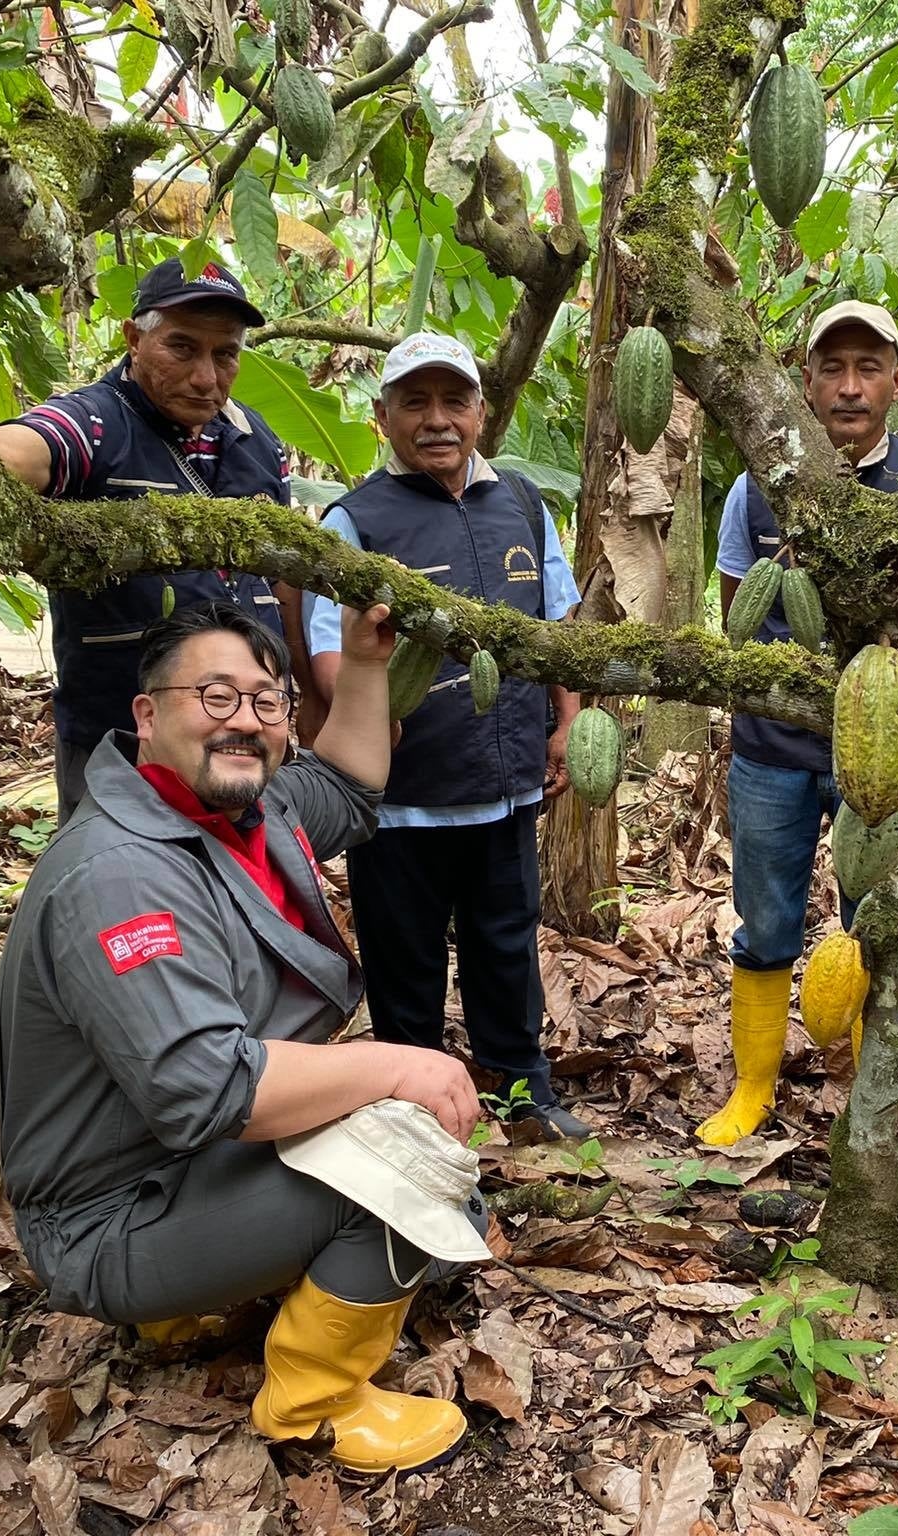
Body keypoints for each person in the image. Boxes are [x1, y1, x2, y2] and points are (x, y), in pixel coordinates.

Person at [0, 600, 492, 1474]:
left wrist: (368, 665)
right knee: (409, 1165)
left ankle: (199, 1297)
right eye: (215, 697)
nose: (245, 722)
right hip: (110, 1215)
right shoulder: (120, 874)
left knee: (444, 1200)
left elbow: (346, 785)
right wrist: (394, 1063)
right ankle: (315, 1404)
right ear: (147, 715)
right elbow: (209, 1088)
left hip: (177, 1165)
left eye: (267, 703)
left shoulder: (240, 813)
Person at [697, 300, 898, 1146]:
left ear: (897, 381)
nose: (850, 388)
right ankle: (753, 1087)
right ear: (805, 380)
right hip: (774, 750)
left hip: (889, 760)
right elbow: (740, 625)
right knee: (768, 918)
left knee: (878, 922)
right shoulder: (757, 484)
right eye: (832, 368)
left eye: (868, 368)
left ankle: (868, 1085)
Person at [302, 332, 589, 1141]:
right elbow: (328, 645)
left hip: (504, 783)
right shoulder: (356, 519)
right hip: (403, 798)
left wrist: (566, 720)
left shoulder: (523, 504)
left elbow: (558, 623)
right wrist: (367, 716)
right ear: (381, 417)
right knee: (407, 957)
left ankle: (518, 1088)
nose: (437, 421)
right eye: (415, 404)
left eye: (453, 401)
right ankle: (410, 1105)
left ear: (481, 411)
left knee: (506, 944)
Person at [0, 256, 295, 820]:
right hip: (121, 743)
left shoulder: (258, 441)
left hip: (244, 741)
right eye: (182, 348)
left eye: (225, 355)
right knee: (118, 893)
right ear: (133, 338)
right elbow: (23, 452)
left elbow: (284, 578)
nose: (206, 377)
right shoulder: (98, 422)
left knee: (238, 896)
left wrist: (301, 703)